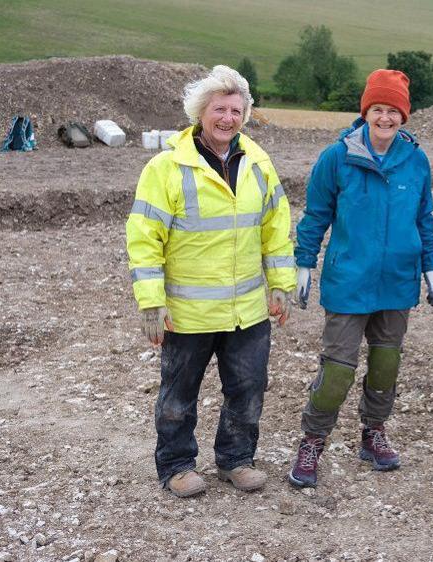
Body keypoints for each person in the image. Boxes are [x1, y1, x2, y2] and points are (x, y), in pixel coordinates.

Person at [126, 65, 295, 498]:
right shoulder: (166, 167)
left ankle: (236, 459)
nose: (228, 118)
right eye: (219, 108)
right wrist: (151, 301)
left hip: (247, 311)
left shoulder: (258, 163)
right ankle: (177, 465)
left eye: (237, 110)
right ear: (201, 112)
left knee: (248, 389)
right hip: (189, 312)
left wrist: (281, 283)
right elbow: (144, 238)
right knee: (179, 395)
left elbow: (276, 227)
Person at [288, 69, 433, 488]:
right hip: (349, 282)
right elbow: (316, 215)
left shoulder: (416, 160)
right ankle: (313, 441)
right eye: (378, 109)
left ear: (403, 116)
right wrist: (305, 263)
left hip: (397, 281)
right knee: (338, 369)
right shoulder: (337, 156)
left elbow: (424, 216)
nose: (385, 118)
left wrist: (431, 265)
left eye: (393, 111)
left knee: (385, 364)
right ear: (365, 111)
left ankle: (373, 433)